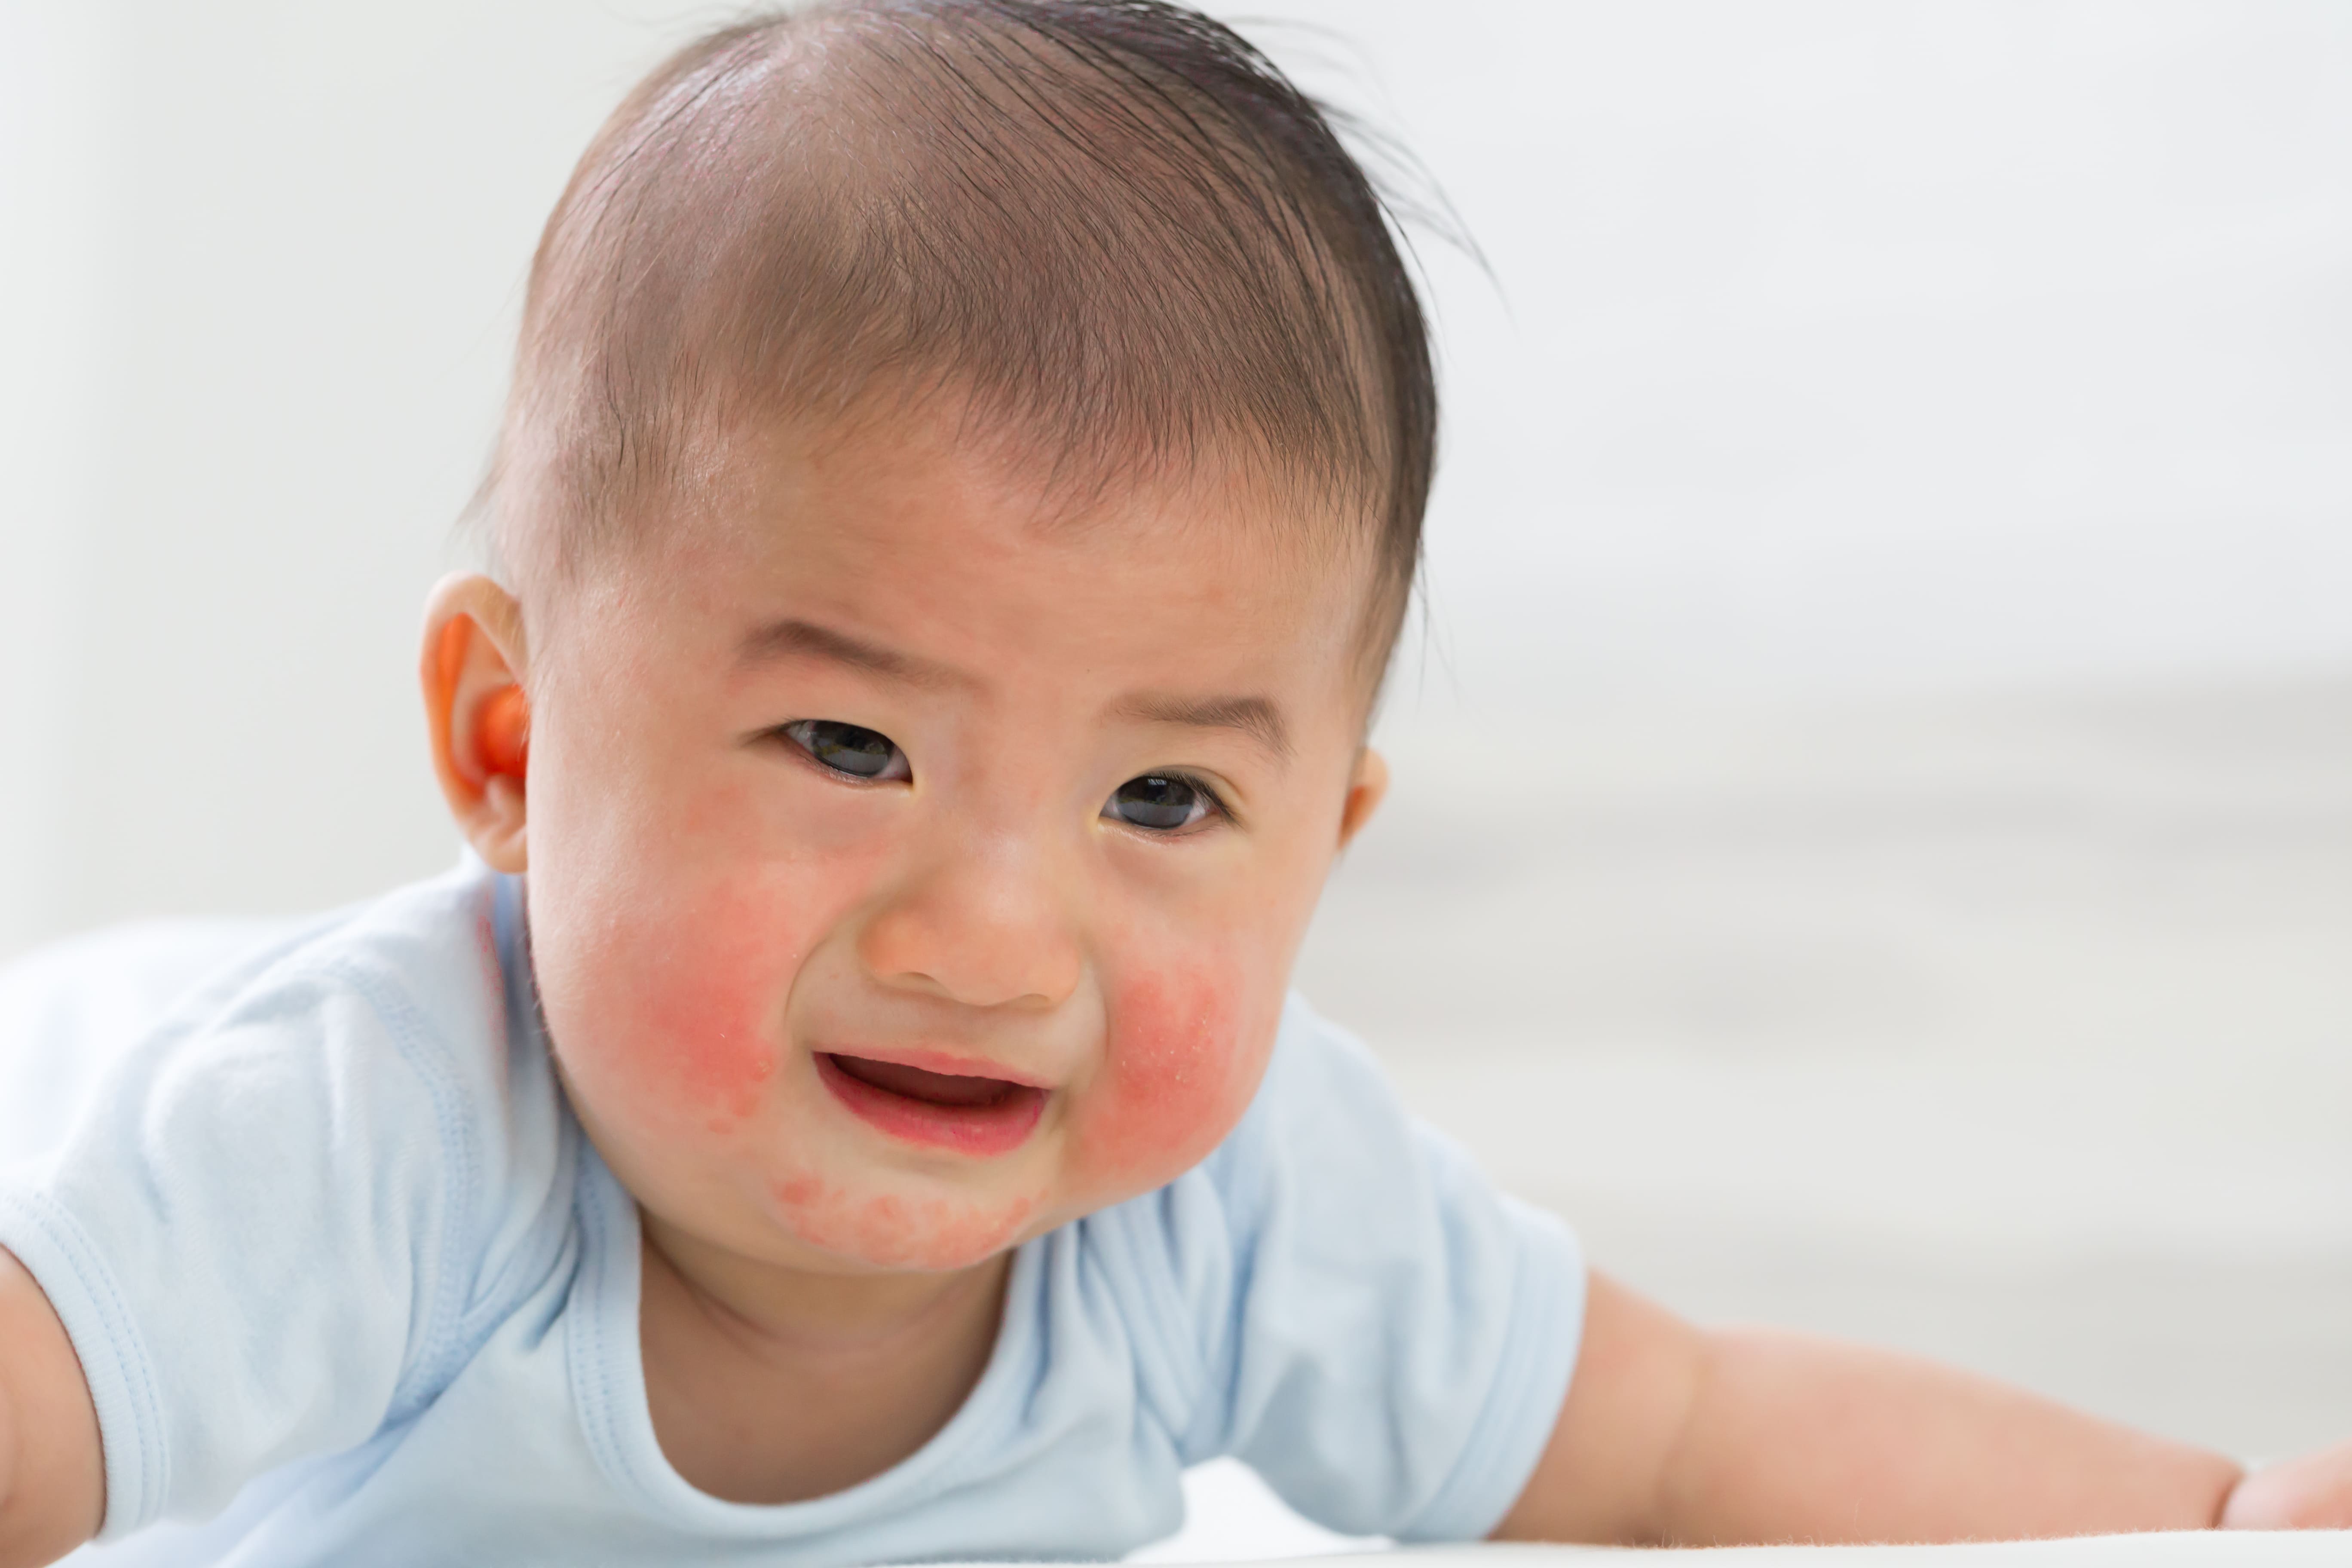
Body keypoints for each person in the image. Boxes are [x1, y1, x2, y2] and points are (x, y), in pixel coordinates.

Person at [0, 3, 2344, 1562]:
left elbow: (1678, 1444)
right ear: (511, 750)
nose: (994, 942)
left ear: (1326, 844)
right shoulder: (377, 1130)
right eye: (851, 746)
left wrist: (2210, 1517)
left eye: (1162, 808)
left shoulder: (1227, 1213)